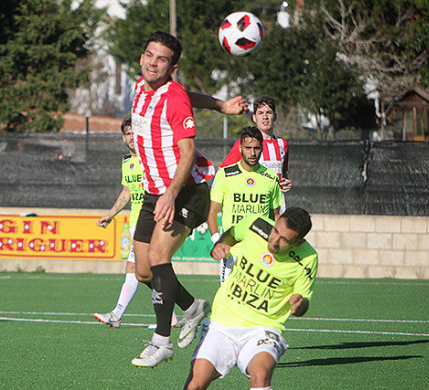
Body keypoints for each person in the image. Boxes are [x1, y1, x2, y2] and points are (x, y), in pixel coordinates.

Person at [130, 31, 248, 368]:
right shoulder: (142, 87)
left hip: (188, 189)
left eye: (162, 59)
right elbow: (189, 94)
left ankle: (161, 342)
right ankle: (193, 308)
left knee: (157, 255)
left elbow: (188, 151)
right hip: (155, 191)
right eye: (149, 55)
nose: (153, 62)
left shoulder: (173, 96)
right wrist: (222, 105)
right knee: (142, 271)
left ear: (173, 66)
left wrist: (170, 194)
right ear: (142, 57)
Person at [184, 207, 318, 390]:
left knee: (261, 376)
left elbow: (304, 300)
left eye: (284, 240)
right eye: (275, 231)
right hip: (222, 323)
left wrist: (300, 304)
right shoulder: (256, 224)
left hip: (263, 329)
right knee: (195, 384)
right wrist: (221, 244)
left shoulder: (308, 259)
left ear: (298, 242)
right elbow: (231, 234)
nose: (274, 242)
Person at [93, 117, 178, 329]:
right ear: (124, 137)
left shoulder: (152, 159)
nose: (132, 137)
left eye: (135, 133)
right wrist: (111, 214)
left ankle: (116, 314)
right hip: (135, 222)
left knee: (136, 269)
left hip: (151, 222)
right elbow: (127, 191)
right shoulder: (126, 162)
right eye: (128, 134)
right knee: (148, 271)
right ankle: (174, 315)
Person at [208, 126, 283, 285]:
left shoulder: (271, 178)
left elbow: (275, 216)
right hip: (231, 252)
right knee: (227, 302)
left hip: (260, 252)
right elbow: (212, 213)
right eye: (248, 148)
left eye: (256, 148)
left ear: (262, 148)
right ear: (240, 148)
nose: (253, 152)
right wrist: (218, 241)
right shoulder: (225, 175)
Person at [220, 96, 291, 212]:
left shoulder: (282, 144)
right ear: (254, 117)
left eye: (269, 112)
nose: (265, 117)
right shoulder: (244, 144)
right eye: (260, 113)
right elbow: (223, 173)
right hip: (252, 205)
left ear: (275, 116)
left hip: (277, 207)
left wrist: (285, 183)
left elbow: (283, 174)